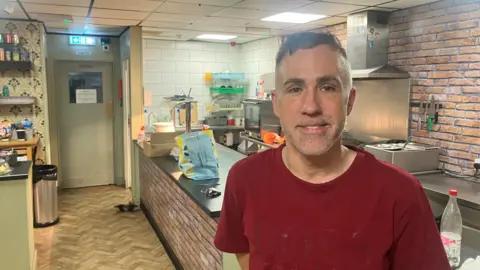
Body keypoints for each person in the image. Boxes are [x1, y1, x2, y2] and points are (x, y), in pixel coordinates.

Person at [214, 31, 451, 270]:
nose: (311, 107)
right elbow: (244, 253)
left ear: (350, 101)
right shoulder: (244, 178)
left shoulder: (400, 193)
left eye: (327, 87)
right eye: (295, 89)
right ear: (276, 103)